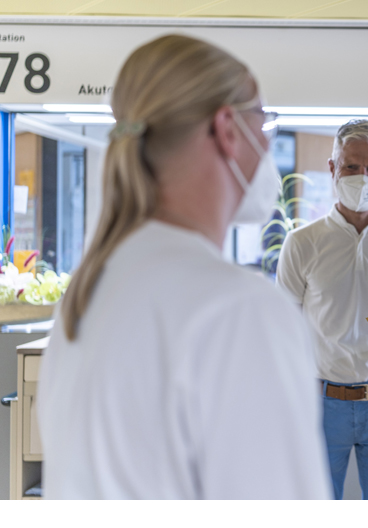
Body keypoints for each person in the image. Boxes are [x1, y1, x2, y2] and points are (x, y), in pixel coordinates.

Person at [36, 35, 331, 499]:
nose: (268, 145)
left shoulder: (88, 293)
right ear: (227, 130)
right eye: (265, 123)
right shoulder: (239, 310)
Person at [276, 119, 368, 500]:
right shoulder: (301, 243)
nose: (362, 177)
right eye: (351, 167)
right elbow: (285, 330)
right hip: (320, 403)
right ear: (332, 168)